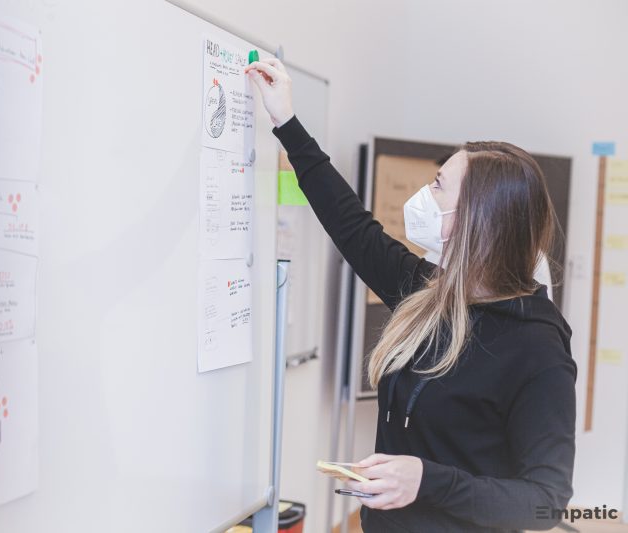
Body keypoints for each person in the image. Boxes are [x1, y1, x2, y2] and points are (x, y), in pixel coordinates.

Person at [246, 58, 576, 532]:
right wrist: (286, 122)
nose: (425, 193)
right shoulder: (430, 294)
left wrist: (426, 481)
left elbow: (545, 504)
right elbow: (353, 228)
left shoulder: (536, 349)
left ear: (475, 220)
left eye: (439, 186)